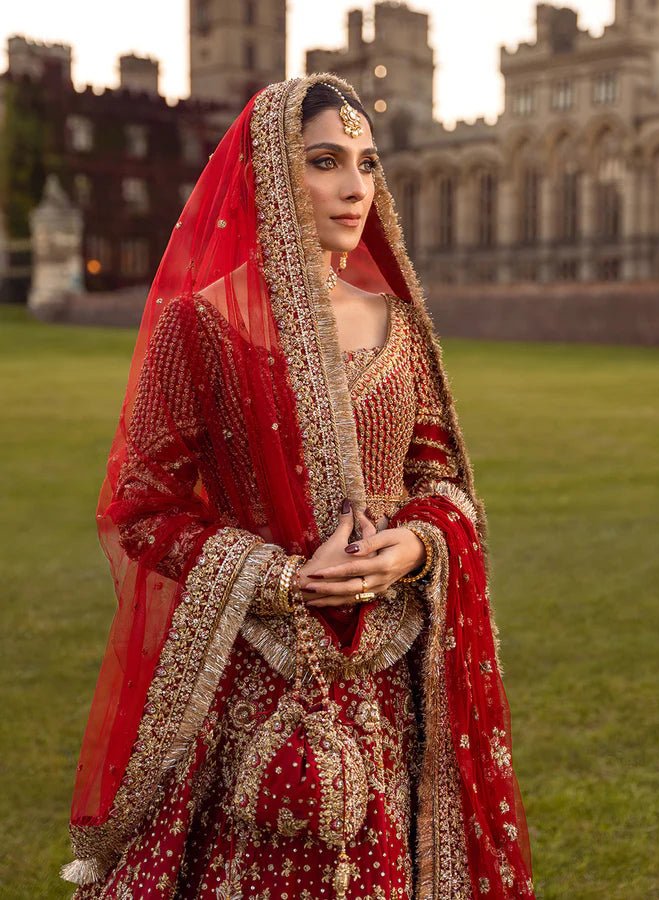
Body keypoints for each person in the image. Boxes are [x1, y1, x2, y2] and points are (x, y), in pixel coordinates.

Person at [61, 74, 535, 899]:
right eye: (324, 162)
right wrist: (277, 578)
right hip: (256, 675)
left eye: (367, 163)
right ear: (272, 175)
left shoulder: (397, 322)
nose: (356, 188)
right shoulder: (201, 323)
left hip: (392, 674)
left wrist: (416, 545)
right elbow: (142, 506)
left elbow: (438, 476)